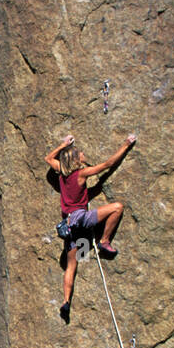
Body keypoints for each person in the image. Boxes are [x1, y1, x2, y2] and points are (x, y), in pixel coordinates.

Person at [46, 133, 135, 323]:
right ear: (76, 160)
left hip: (69, 225)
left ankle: (66, 301)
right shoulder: (80, 174)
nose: (83, 154)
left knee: (71, 265)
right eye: (80, 154)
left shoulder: (61, 171)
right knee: (117, 207)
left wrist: (63, 145)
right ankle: (104, 241)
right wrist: (125, 145)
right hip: (81, 219)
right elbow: (107, 165)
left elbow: (48, 159)